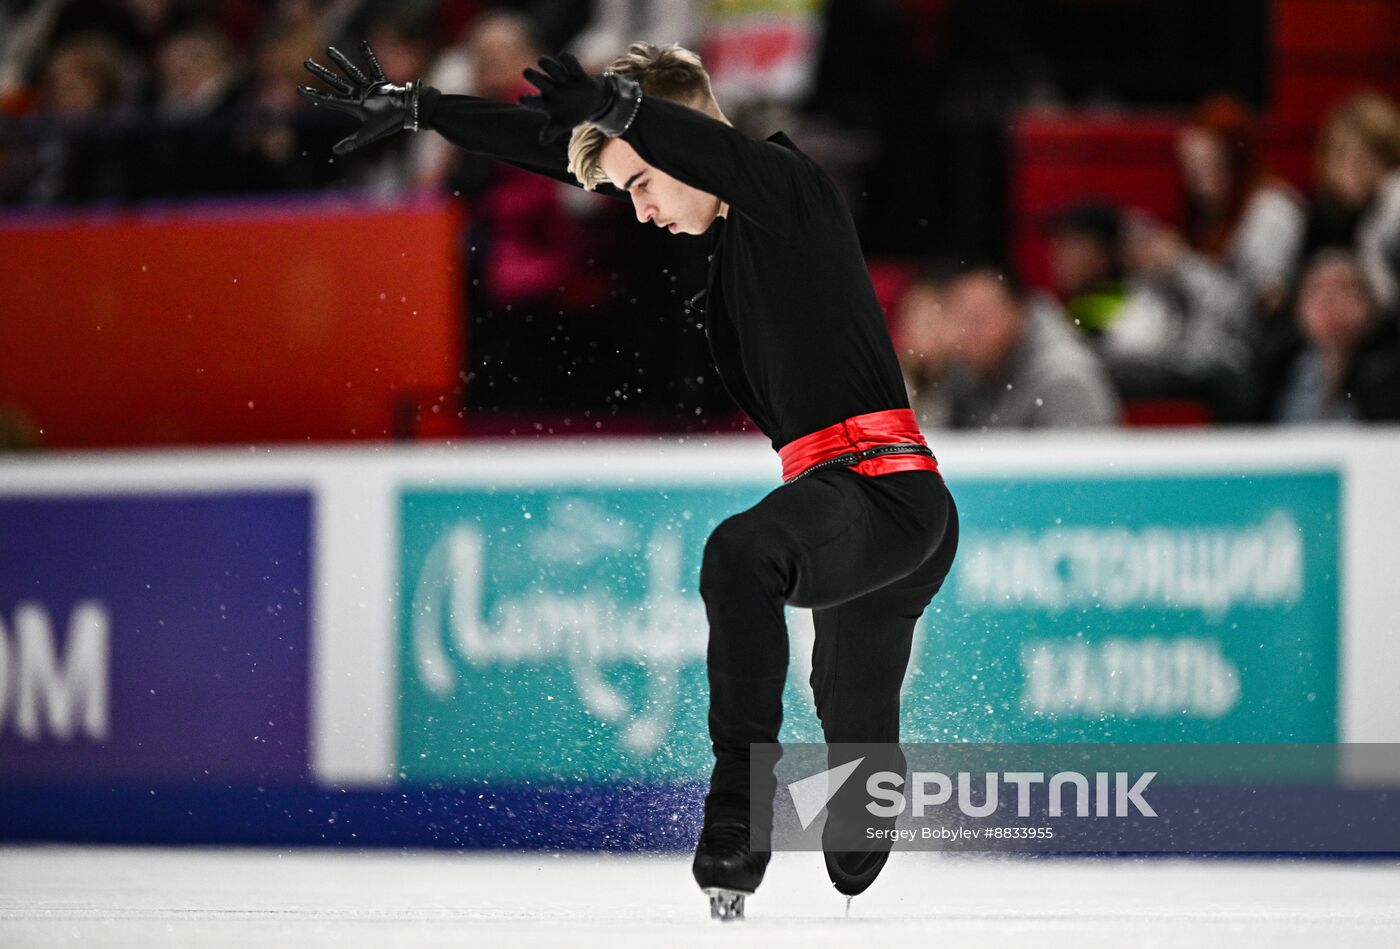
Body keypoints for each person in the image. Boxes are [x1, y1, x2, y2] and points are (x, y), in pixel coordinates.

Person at [299, 39, 959, 917]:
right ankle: (866, 786)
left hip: (887, 496)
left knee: (739, 554)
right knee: (853, 736)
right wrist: (427, 109)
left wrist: (622, 113)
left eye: (643, 184)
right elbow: (567, 150)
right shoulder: (727, 221)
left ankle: (739, 808)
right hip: (848, 511)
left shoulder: (787, 187)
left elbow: (700, 150)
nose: (639, 210)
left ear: (677, 138)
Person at [897, 262, 1120, 428]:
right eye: (960, 320)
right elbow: (932, 456)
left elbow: (1081, 480)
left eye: (980, 319)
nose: (968, 333)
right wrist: (926, 378)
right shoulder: (958, 367)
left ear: (1019, 314)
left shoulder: (1066, 380)